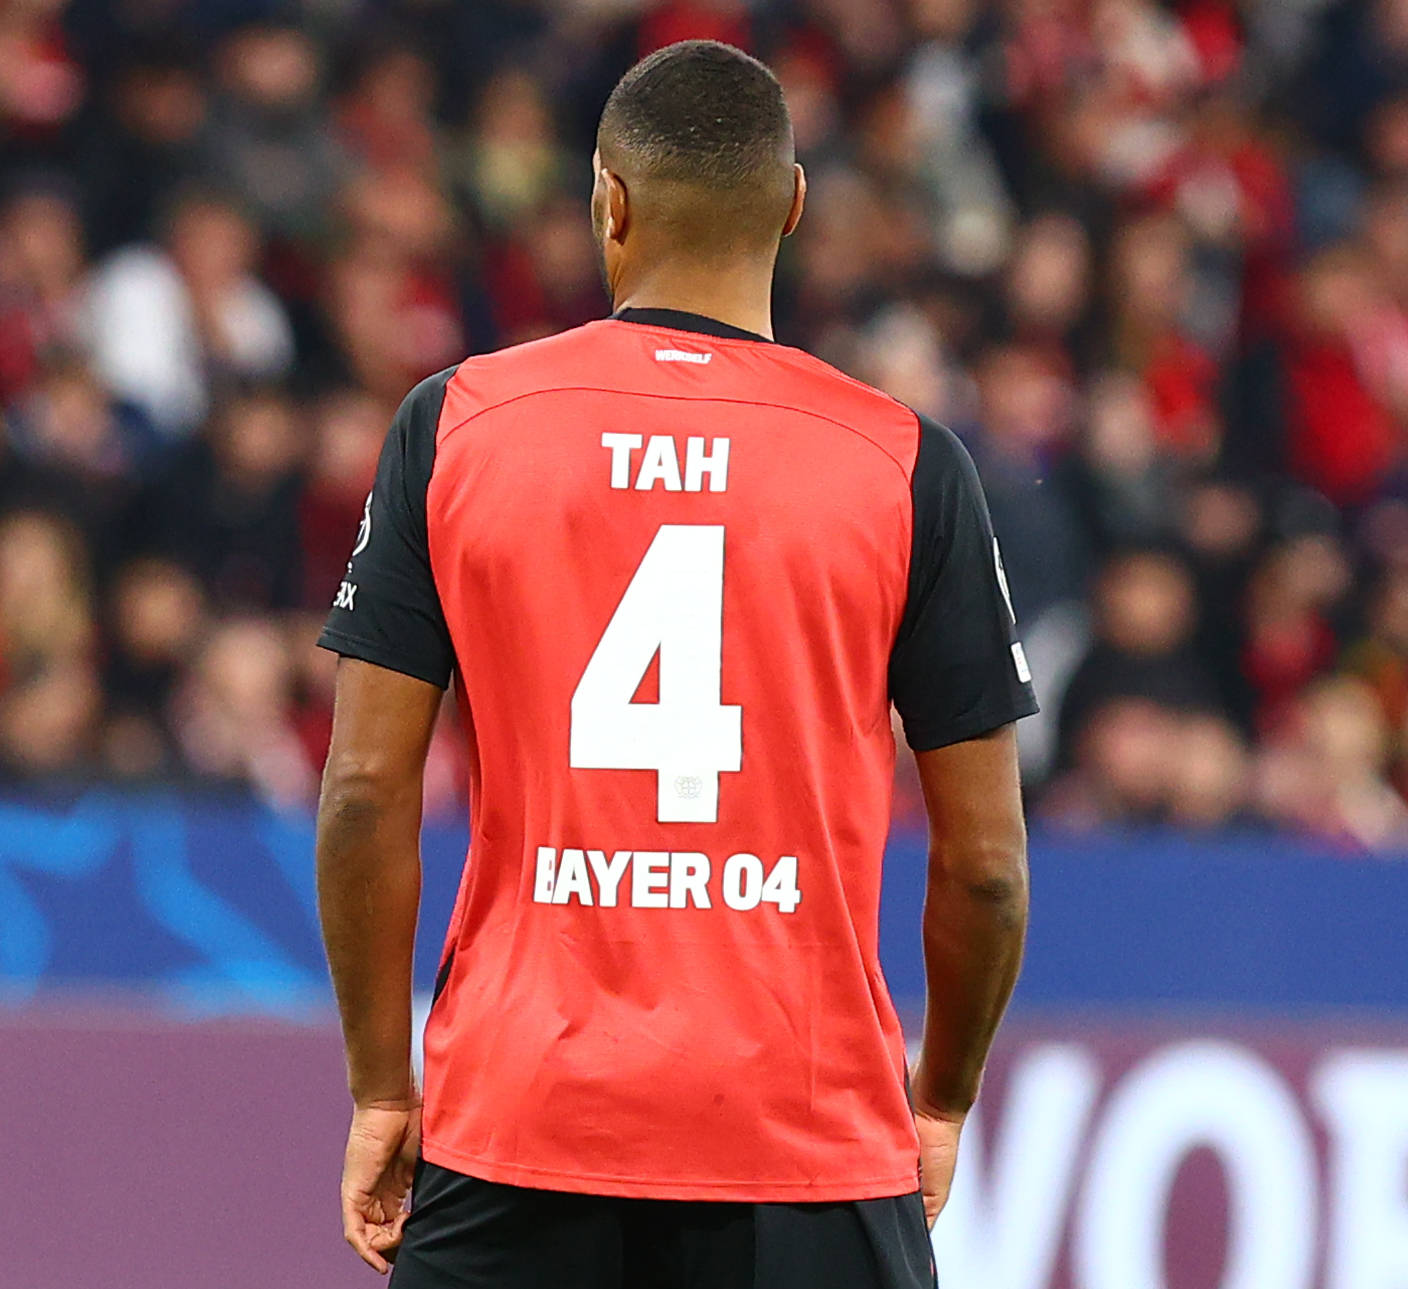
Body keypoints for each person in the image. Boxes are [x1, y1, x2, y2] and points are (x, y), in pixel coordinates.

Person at [313, 40, 1035, 1289]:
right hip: (805, 1140)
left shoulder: (458, 422)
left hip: (520, 1120)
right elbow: (983, 868)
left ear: (608, 201)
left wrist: (385, 1086)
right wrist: (940, 1099)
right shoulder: (905, 463)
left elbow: (366, 794)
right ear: (795, 207)